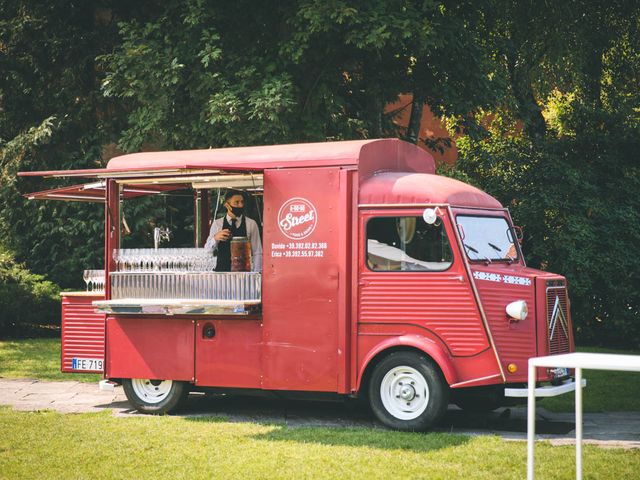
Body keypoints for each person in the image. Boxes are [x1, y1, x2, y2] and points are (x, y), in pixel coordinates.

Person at [204, 190, 262, 272]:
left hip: (244, 273)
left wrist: (257, 273)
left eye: (242, 202)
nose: (240, 205)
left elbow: (257, 251)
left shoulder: (251, 224)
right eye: (236, 202)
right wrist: (215, 238)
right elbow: (207, 250)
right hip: (221, 273)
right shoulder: (217, 224)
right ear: (227, 205)